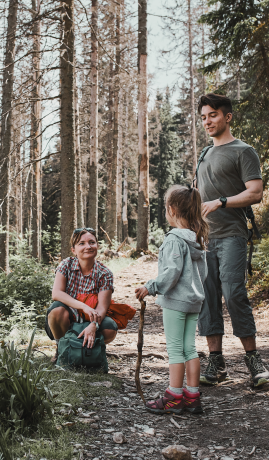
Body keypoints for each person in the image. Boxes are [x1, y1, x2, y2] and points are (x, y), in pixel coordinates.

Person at [197, 93, 268, 387]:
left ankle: (253, 360)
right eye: (203, 117)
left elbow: (255, 192)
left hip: (233, 236)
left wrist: (221, 202)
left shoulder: (243, 151)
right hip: (204, 239)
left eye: (212, 115)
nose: (207, 121)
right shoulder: (203, 154)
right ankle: (217, 362)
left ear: (227, 117)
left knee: (234, 292)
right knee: (207, 297)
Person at [135, 185, 208, 414]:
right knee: (190, 348)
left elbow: (172, 272)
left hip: (176, 302)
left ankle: (174, 397)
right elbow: (202, 274)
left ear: (171, 209)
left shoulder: (174, 239)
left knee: (176, 350)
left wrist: (151, 286)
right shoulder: (197, 238)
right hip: (194, 301)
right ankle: (192, 396)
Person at [45, 227, 118, 363]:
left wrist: (93, 325)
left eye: (92, 242)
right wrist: (84, 306)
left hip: (91, 318)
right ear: (74, 250)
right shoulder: (66, 265)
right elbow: (56, 293)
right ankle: (61, 348)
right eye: (81, 243)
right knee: (56, 310)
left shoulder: (105, 273)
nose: (88, 247)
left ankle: (90, 349)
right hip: (65, 319)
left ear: (97, 245)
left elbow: (102, 308)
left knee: (110, 329)